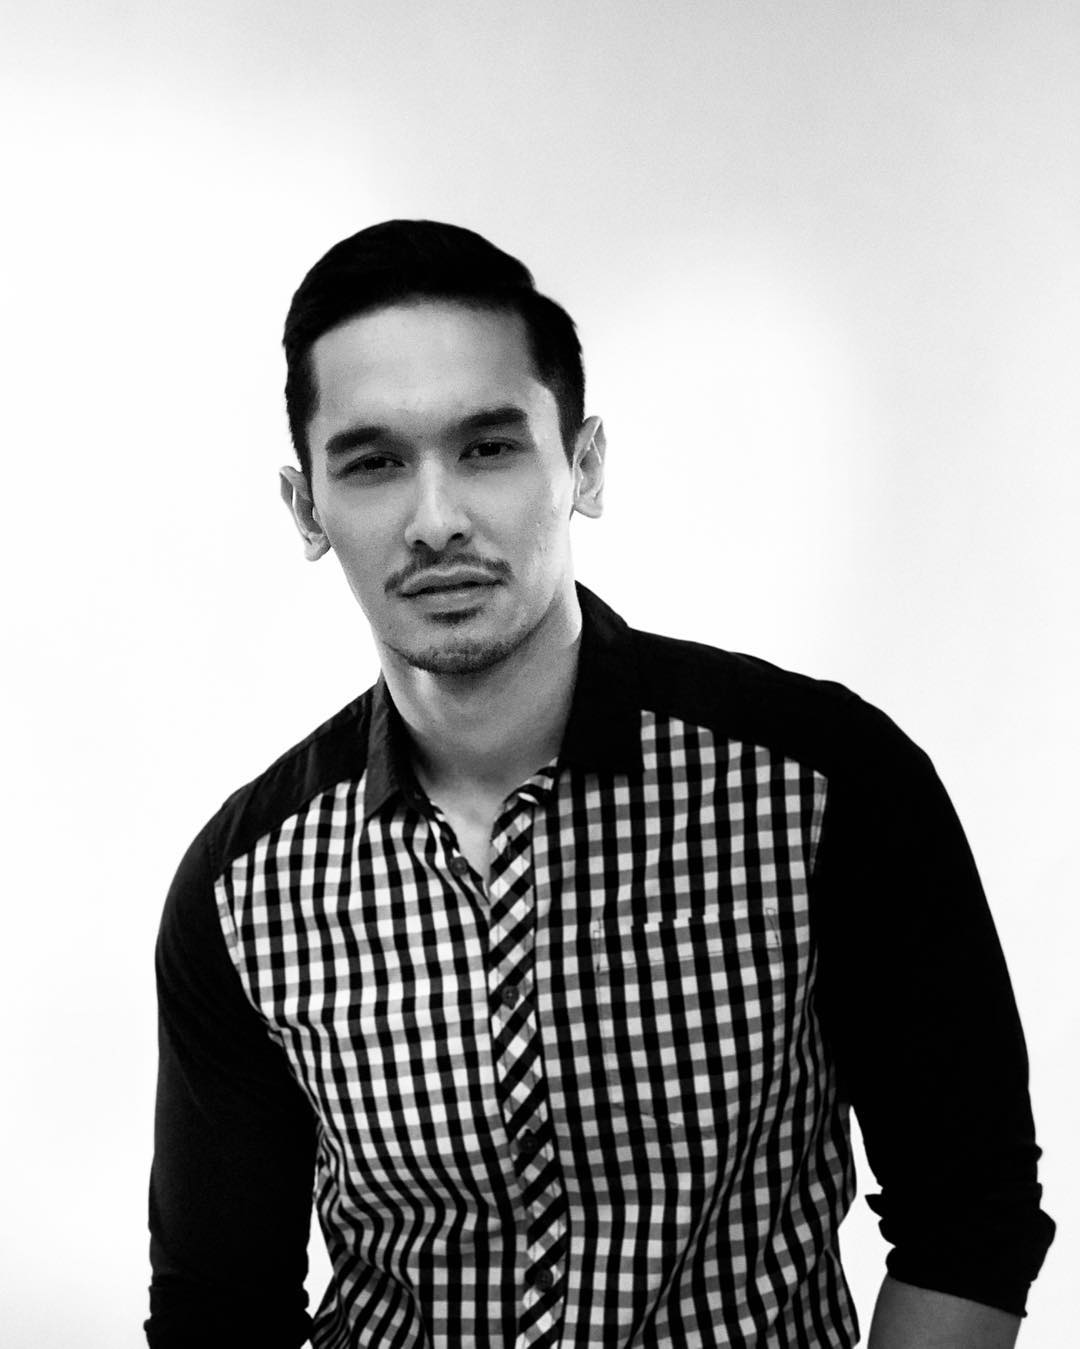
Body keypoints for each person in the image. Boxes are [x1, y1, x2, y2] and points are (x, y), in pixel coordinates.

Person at [145, 220, 1054, 1349]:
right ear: (306, 508)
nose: (437, 520)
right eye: (373, 462)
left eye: (488, 447)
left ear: (584, 465)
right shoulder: (244, 888)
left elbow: (970, 1216)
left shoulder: (826, 786)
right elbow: (219, 1308)